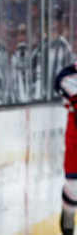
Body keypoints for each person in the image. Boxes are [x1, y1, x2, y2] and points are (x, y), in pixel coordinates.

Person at [55, 63, 77, 235]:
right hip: (75, 139)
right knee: (74, 186)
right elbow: (60, 81)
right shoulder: (70, 76)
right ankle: (69, 213)